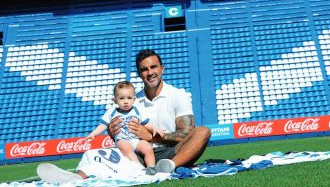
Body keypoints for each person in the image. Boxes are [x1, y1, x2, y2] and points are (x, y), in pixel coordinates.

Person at [37, 49, 211, 183]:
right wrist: (113, 132)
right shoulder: (132, 100)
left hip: (173, 152)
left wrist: (151, 135)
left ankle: (169, 167)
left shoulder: (177, 94)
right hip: (138, 155)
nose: (150, 72)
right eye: (144, 69)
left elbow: (187, 133)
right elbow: (119, 133)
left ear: (162, 69)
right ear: (139, 74)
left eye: (153, 67)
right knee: (97, 154)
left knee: (203, 131)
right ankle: (75, 178)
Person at [85, 80, 164, 175]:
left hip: (136, 140)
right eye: (122, 98)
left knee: (147, 147)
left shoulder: (137, 110)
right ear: (115, 100)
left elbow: (146, 123)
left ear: (134, 99)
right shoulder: (112, 112)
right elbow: (103, 125)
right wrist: (93, 134)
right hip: (122, 140)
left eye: (129, 98)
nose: (126, 102)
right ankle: (140, 169)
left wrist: (155, 128)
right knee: (126, 149)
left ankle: (151, 167)